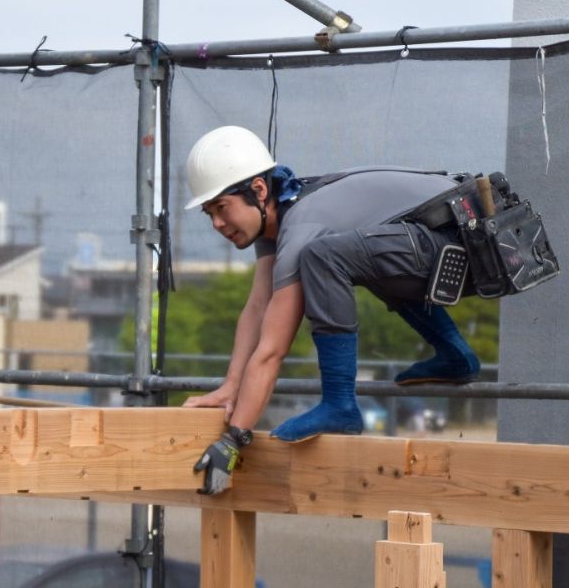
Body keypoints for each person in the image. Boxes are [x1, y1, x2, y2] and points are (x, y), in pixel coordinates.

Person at [184, 126, 481, 495]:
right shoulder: (280, 219)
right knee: (352, 254)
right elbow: (258, 307)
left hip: (466, 234)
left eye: (222, 208)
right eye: (208, 213)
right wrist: (231, 385)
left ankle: (340, 405)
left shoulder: (303, 227)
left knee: (324, 258)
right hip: (436, 237)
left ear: (259, 191)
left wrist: (232, 441)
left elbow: (273, 349)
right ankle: (455, 355)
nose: (216, 224)